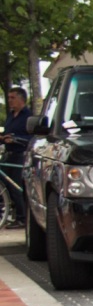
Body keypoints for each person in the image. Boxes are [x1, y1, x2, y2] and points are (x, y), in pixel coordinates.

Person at [2, 87, 32, 228]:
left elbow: (31, 137)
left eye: (12, 97)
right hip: (8, 154)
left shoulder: (28, 116)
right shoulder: (10, 115)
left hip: (20, 154)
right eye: (9, 98)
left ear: (21, 99)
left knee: (16, 187)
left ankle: (22, 218)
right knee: (3, 185)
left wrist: (16, 139)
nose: (10, 101)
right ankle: (8, 212)